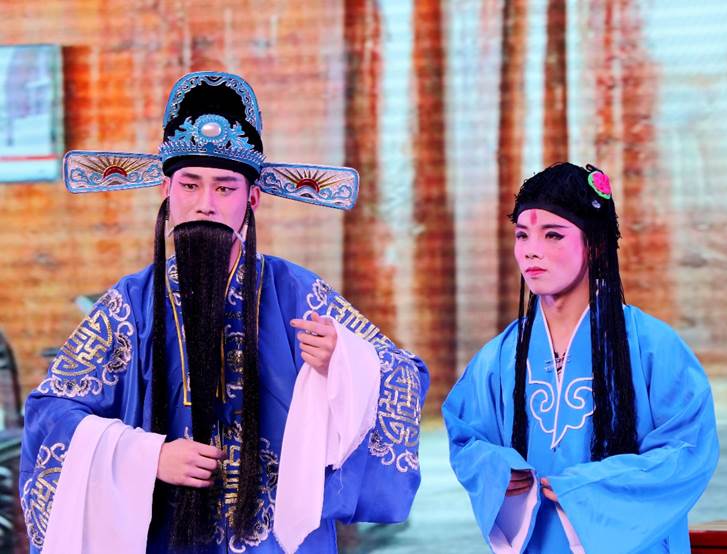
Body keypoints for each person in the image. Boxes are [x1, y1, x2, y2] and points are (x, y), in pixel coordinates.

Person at [20, 71, 429, 554]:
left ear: (252, 198)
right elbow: (51, 412)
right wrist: (147, 456)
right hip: (162, 534)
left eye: (225, 188)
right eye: (190, 185)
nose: (205, 205)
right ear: (166, 190)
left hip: (274, 541)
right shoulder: (128, 306)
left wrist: (343, 363)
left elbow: (404, 376)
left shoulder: (299, 294)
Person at [443, 162, 718, 553]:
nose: (531, 250)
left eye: (553, 234)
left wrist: (592, 487)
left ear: (596, 244)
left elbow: (689, 450)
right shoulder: (500, 355)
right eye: (522, 235)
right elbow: (466, 437)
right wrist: (495, 468)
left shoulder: (653, 346)